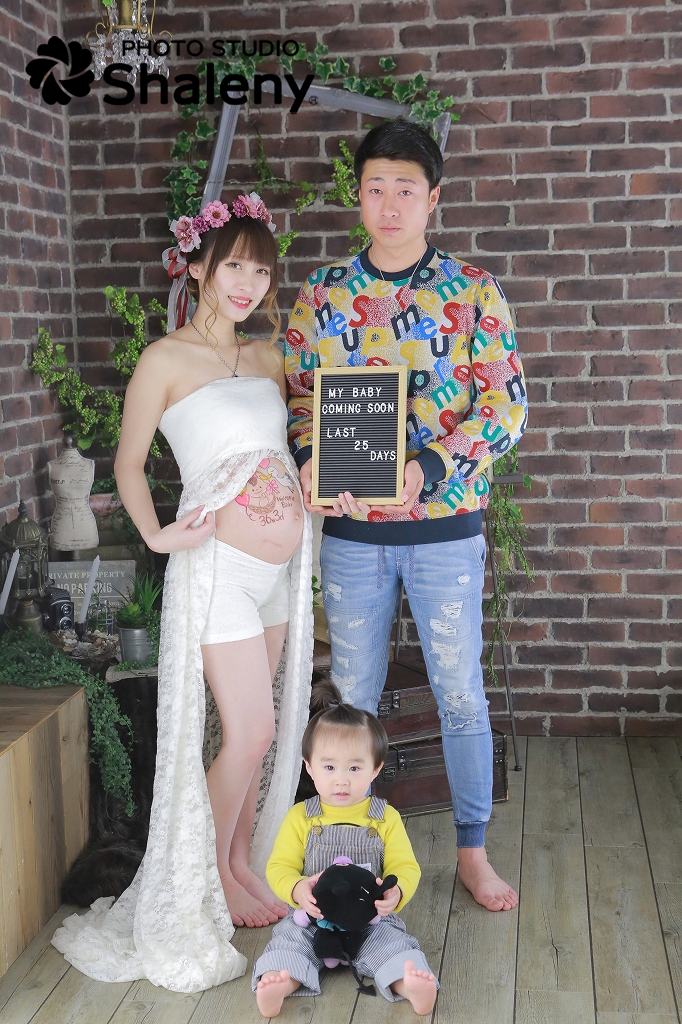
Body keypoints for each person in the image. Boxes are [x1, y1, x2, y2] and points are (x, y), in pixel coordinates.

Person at [52, 194, 315, 992]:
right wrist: (159, 535)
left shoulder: (268, 358)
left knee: (256, 734)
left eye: (260, 271)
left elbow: (296, 443)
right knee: (251, 730)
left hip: (278, 577)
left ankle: (237, 864)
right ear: (197, 267)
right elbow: (129, 465)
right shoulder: (164, 360)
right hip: (221, 572)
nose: (246, 284)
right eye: (233, 266)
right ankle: (204, 877)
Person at [286, 120, 527, 912]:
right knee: (352, 701)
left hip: (444, 533)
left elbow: (505, 406)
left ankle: (472, 851)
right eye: (375, 188)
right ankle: (348, 853)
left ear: (433, 198)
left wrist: (429, 467)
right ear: (358, 196)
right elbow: (298, 400)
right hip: (353, 536)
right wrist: (310, 457)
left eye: (406, 190)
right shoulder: (322, 295)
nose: (389, 205)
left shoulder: (473, 291)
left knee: (459, 693)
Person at [252, 680, 438, 1017]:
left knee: (392, 944)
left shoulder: (385, 818)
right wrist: (296, 888)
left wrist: (396, 893)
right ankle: (280, 981)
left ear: (375, 768)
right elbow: (279, 866)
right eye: (329, 767)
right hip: (312, 919)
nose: (341, 779)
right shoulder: (300, 817)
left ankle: (407, 982)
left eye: (354, 768)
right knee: (289, 942)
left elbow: (405, 867)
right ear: (309, 767)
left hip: (369, 920)